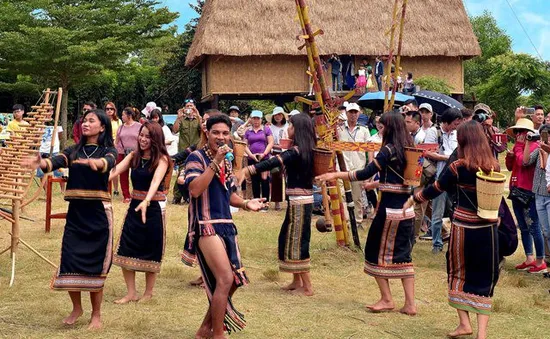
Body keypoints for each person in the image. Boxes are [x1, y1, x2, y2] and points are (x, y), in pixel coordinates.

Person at [404, 121, 501, 339]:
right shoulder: (493, 166)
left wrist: (414, 198)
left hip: (464, 228)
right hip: (487, 229)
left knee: (458, 273)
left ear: (464, 140)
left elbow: (435, 189)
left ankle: (464, 323)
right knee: (484, 277)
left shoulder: (458, 167)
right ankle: (482, 333)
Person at [23, 109, 117, 329]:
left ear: (102, 127)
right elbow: (55, 162)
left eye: (91, 121)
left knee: (95, 266)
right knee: (71, 260)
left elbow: (108, 162)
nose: (85, 124)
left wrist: (97, 164)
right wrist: (40, 163)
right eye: (84, 120)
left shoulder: (108, 150)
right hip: (76, 215)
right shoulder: (74, 151)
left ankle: (96, 315)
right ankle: (77, 308)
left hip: (98, 216)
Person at [317, 112, 417, 315]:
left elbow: (363, 172)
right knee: (404, 255)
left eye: (382, 126)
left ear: (389, 127)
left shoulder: (388, 150)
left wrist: (334, 174)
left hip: (390, 211)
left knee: (372, 251)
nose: (380, 130)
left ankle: (387, 299)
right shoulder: (411, 150)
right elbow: (407, 180)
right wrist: (377, 184)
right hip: (408, 210)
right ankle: (410, 304)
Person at [183, 114, 265, 338]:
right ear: (207, 133)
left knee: (235, 280)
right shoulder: (196, 158)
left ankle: (204, 329)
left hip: (226, 225)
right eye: (216, 133)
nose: (221, 137)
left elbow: (230, 196)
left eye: (225, 133)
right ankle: (218, 334)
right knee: (226, 278)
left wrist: (248, 203)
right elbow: (195, 190)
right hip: (205, 225)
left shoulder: (227, 160)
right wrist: (214, 162)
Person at [237, 113, 317, 296]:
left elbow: (274, 161)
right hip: (297, 201)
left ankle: (307, 286)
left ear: (299, 130)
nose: (288, 128)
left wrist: (248, 170)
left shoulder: (297, 151)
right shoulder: (303, 149)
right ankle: (296, 281)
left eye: (291, 125)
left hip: (300, 202)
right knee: (287, 238)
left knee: (298, 243)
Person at [111, 122, 171, 303]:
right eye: (142, 135)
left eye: (148, 136)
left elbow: (155, 182)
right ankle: (131, 293)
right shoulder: (133, 156)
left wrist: (147, 200)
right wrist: (96, 180)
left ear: (156, 139)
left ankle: (148, 292)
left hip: (153, 208)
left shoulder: (162, 159)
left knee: (150, 248)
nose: (143, 139)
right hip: (135, 207)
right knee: (127, 245)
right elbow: (116, 170)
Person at [505, 118, 547, 273]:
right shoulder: (518, 146)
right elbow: (511, 167)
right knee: (522, 226)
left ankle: (540, 259)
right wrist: (510, 156)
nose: (518, 135)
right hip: (516, 189)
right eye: (517, 132)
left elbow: (524, 161)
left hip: (528, 191)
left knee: (534, 226)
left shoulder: (534, 146)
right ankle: (529, 257)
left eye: (521, 131)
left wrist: (518, 149)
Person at [423, 108, 462, 253]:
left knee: (455, 211)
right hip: (439, 177)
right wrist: (448, 158)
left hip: (454, 178)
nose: (456, 126)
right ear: (447, 121)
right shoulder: (433, 132)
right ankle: (437, 243)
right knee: (437, 212)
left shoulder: (456, 134)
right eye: (455, 123)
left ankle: (455, 241)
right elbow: (427, 152)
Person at [338, 103, 371, 225]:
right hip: (342, 167)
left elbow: (370, 149)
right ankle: (346, 220)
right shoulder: (339, 129)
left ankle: (357, 221)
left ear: (359, 113)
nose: (353, 115)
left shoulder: (364, 130)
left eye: (355, 112)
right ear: (346, 113)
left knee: (357, 197)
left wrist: (369, 167)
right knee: (342, 196)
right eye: (350, 112)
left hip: (358, 168)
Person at [241, 110, 274, 210]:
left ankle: (266, 203)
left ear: (261, 119)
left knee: (264, 179)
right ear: (251, 119)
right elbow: (244, 145)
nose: (256, 121)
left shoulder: (266, 129)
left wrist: (264, 154)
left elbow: (271, 142)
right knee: (254, 180)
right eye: (254, 118)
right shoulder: (248, 131)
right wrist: (251, 155)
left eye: (258, 118)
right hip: (252, 157)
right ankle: (256, 202)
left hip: (264, 157)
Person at [172, 99, 201, 204]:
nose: (189, 108)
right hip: (183, 150)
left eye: (191, 106)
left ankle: (189, 196)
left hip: (195, 150)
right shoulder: (182, 119)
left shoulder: (198, 119)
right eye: (187, 106)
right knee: (181, 172)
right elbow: (174, 130)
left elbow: (202, 130)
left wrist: (197, 115)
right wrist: (179, 118)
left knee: (194, 172)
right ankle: (177, 196)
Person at [115, 107, 142, 203]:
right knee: (123, 175)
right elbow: (117, 141)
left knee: (137, 173)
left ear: (129, 116)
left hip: (136, 153)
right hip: (122, 153)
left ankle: (137, 193)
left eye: (123, 115)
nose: (121, 117)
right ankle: (126, 195)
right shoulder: (121, 127)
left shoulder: (139, 126)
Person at [267, 107, 289, 211]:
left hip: (288, 153)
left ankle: (290, 201)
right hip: (275, 153)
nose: (278, 117)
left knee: (289, 177)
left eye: (280, 115)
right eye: (276, 115)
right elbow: (269, 142)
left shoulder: (288, 126)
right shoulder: (270, 128)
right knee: (276, 177)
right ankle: (276, 202)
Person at [105, 102, 121, 196]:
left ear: (114, 110)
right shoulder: (103, 120)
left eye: (111, 109)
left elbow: (120, 134)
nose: (109, 110)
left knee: (115, 168)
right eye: (107, 109)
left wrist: (115, 144)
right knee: (105, 167)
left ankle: (115, 189)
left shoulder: (118, 121)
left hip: (115, 145)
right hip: (105, 144)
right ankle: (105, 187)